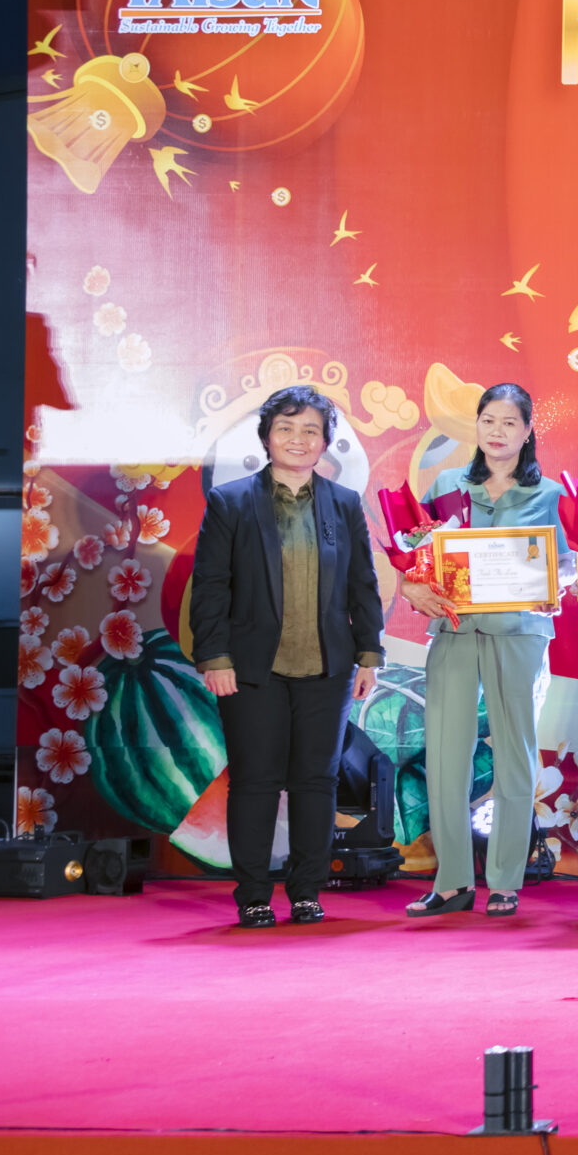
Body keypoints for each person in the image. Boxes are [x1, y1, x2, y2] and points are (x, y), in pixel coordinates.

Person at [187, 385, 384, 929]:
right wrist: (215, 657)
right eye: (286, 428)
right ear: (267, 436)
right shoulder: (230, 501)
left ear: (325, 442)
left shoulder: (344, 503)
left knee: (316, 783)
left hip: (328, 666)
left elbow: (363, 584)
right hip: (251, 668)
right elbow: (210, 586)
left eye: (310, 430)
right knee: (254, 781)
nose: (298, 439)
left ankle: (306, 891)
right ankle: (253, 894)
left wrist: (369, 654)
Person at [396, 383, 568, 918]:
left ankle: (505, 880)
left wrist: (554, 586)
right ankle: (451, 881)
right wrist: (411, 587)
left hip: (519, 633)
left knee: (514, 752)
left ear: (528, 431)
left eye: (510, 422)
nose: (497, 432)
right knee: (446, 753)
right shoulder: (447, 486)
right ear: (476, 425)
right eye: (488, 421)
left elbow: (564, 568)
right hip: (453, 631)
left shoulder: (550, 495)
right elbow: (414, 557)